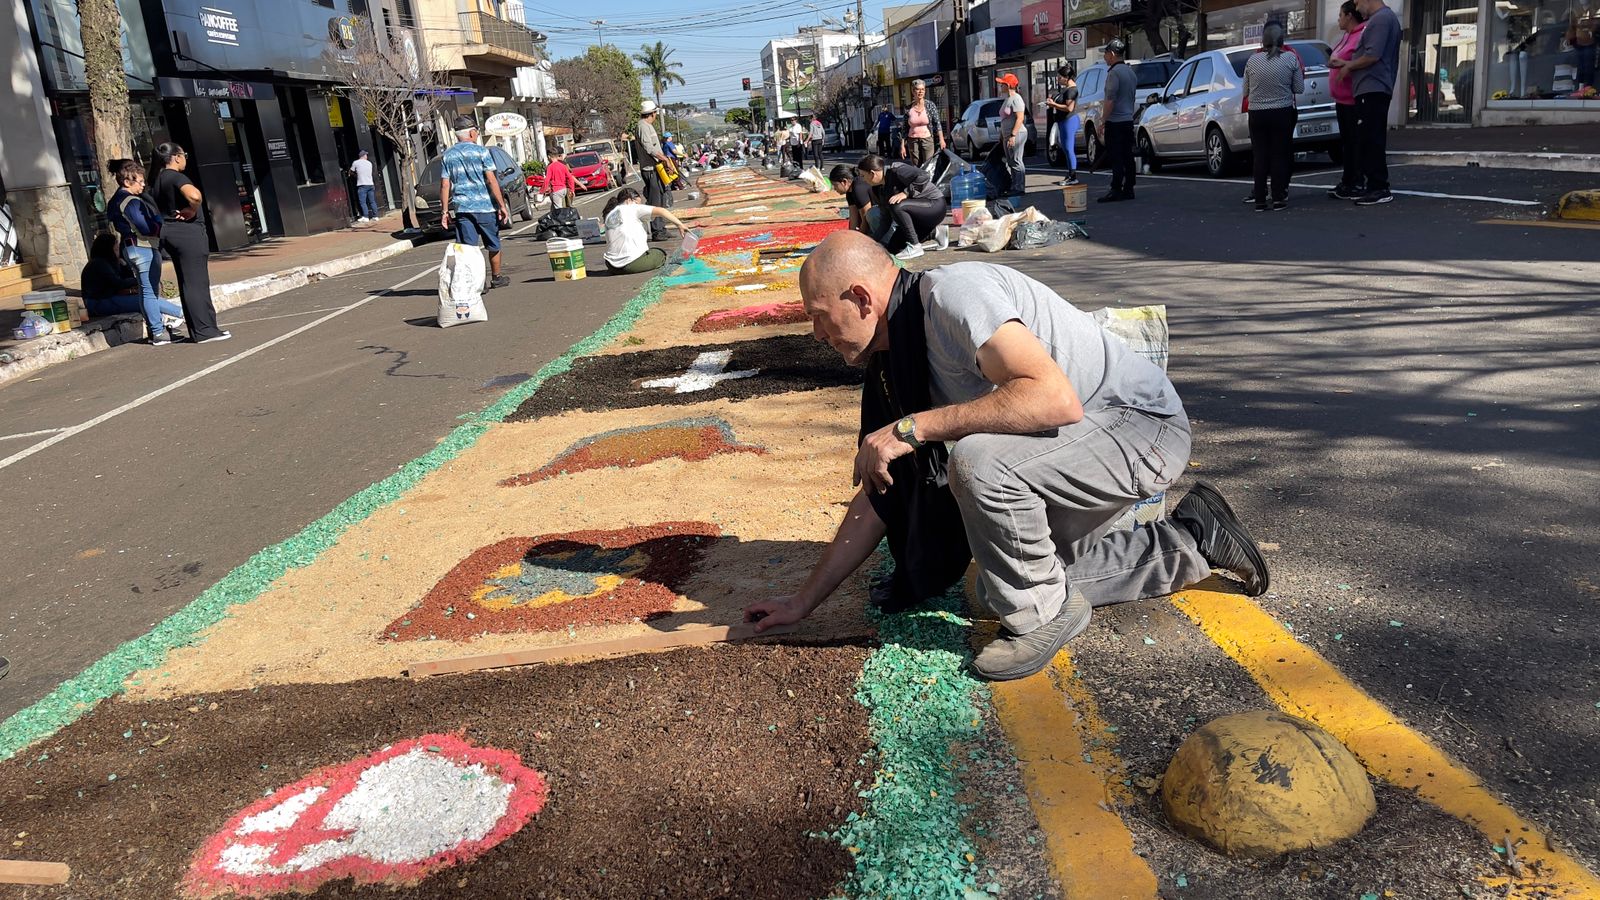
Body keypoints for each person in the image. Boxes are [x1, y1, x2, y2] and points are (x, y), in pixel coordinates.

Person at [743, 232, 1271, 682]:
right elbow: (881, 492)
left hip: (1139, 429)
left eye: (818, 316)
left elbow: (1054, 400)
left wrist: (914, 427)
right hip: (1079, 444)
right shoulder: (894, 358)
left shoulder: (952, 296)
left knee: (979, 464)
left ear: (860, 297)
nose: (816, 334)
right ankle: (1192, 540)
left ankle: (1042, 619)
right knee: (999, 582)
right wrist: (803, 601)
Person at [149, 143, 229, 343]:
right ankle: (205, 331)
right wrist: (192, 210)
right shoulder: (175, 177)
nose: (185, 158)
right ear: (176, 157)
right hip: (187, 234)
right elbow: (194, 196)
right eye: (184, 154)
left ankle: (198, 330)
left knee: (188, 282)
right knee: (197, 283)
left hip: (170, 233)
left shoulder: (158, 180)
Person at [1329, 0, 1401, 205]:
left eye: (1358, 1)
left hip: (1373, 87)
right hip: (1369, 87)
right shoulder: (1381, 20)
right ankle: (1373, 185)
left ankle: (1379, 187)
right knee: (1367, 138)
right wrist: (1347, 64)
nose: (1357, 7)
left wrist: (1348, 66)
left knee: (1372, 139)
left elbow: (1372, 56)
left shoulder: (1381, 20)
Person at [106, 161, 186, 344]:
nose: (143, 185)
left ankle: (156, 329)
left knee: (145, 291)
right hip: (143, 246)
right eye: (140, 181)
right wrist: (159, 223)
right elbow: (146, 227)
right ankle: (158, 331)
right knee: (149, 292)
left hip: (131, 247)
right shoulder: (131, 201)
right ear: (127, 182)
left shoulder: (116, 201)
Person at [438, 115, 512, 289]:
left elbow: (445, 184)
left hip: (463, 208)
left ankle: (478, 283)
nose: (477, 134)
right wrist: (501, 205)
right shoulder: (482, 152)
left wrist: (445, 211)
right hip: (485, 207)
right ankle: (496, 277)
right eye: (477, 132)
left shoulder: (448, 155)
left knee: (468, 249)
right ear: (471, 133)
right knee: (493, 244)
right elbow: (492, 180)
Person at [80, 232, 187, 344]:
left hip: (107, 298)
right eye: (115, 249)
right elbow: (118, 283)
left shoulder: (108, 262)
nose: (118, 252)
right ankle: (183, 313)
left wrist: (124, 265)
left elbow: (125, 279)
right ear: (108, 250)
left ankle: (162, 326)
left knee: (148, 299)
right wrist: (138, 280)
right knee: (146, 300)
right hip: (99, 303)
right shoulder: (99, 264)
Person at [1242, 22, 1305, 212]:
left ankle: (1260, 199)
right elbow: (1299, 88)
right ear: (1282, 39)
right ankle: (1278, 197)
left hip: (1257, 113)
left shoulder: (1252, 60)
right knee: (1279, 154)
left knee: (1260, 155)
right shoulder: (1290, 59)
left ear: (1263, 41)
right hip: (1282, 111)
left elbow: (1245, 91)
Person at [853, 155, 949, 261]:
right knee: (893, 248)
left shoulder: (896, 169)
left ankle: (915, 246)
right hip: (917, 217)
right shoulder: (877, 189)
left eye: (863, 175)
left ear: (872, 173)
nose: (863, 180)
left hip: (935, 206)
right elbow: (885, 220)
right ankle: (936, 233)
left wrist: (905, 193)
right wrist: (872, 242)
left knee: (897, 205)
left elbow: (924, 175)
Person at [1327, 1, 1368, 200]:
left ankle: (1357, 181)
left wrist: (1342, 63)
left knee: (1354, 142)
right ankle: (1347, 180)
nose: (1338, 19)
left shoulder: (1361, 36)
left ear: (1349, 16)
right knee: (1346, 142)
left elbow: (1361, 62)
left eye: (1341, 15)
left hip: (1352, 98)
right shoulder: (1346, 36)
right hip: (1341, 99)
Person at [602, 188, 688, 275]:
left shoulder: (610, 214)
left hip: (611, 265)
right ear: (629, 200)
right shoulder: (631, 207)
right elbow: (662, 211)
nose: (639, 206)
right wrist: (680, 225)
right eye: (637, 203)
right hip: (630, 264)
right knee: (660, 253)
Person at [1098, 40, 1138, 203]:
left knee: (1116, 157)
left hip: (1115, 122)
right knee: (1128, 155)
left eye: (1106, 53)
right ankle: (1129, 188)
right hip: (1127, 120)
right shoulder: (1130, 72)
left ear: (1113, 54)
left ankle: (1116, 189)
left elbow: (1110, 100)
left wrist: (1103, 120)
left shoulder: (1114, 73)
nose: (1105, 56)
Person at [636, 101, 674, 241]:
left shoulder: (648, 126)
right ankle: (657, 231)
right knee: (655, 200)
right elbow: (649, 148)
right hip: (650, 169)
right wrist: (665, 159)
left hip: (656, 168)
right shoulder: (642, 126)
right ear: (652, 113)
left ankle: (661, 227)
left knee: (661, 197)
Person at [990, 73, 1028, 202]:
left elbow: (1020, 118)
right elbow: (1004, 119)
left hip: (1017, 134)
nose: (1000, 86)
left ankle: (1019, 187)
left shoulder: (1016, 99)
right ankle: (1014, 186)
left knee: (1016, 161)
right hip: (1006, 135)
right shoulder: (1007, 99)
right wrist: (1002, 135)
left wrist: (1013, 135)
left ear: (1008, 85)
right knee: (1011, 162)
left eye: (1002, 84)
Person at [829, 163, 887, 244]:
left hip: (885, 217)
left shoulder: (858, 188)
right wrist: (851, 236)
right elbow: (853, 218)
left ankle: (885, 241)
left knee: (871, 215)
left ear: (844, 182)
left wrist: (857, 240)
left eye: (835, 185)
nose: (835, 189)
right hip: (876, 217)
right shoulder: (850, 192)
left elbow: (865, 218)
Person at [1045, 65, 1082, 186]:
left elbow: (1069, 108)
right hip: (1063, 121)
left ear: (1066, 77)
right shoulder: (1066, 89)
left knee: (1068, 148)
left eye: (1060, 77)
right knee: (1066, 148)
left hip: (1068, 120)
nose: (1058, 79)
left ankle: (1073, 176)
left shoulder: (1071, 90)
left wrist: (1053, 105)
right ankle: (1070, 173)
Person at [899, 80, 946, 168]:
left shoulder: (930, 105)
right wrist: (902, 146)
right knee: (916, 166)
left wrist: (941, 139)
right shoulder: (908, 108)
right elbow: (904, 128)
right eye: (917, 89)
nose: (920, 92)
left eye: (923, 89)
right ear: (913, 91)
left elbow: (937, 123)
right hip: (912, 140)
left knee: (928, 165)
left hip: (927, 139)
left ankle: (928, 177)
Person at [350, 149, 377, 223]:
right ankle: (375, 216)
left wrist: (355, 175)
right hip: (370, 184)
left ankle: (366, 216)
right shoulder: (369, 163)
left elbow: (351, 171)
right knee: (372, 201)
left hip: (362, 184)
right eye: (366, 155)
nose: (366, 156)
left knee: (363, 202)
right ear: (363, 156)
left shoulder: (355, 162)